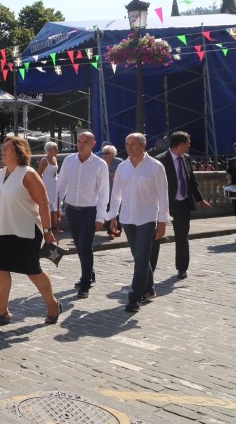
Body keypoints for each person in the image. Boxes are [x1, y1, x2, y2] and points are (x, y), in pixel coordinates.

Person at [0, 136, 61, 326]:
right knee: (0, 268)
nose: (3, 150)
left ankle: (52, 304)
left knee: (32, 270)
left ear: (19, 152)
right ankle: (2, 311)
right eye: (3, 147)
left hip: (26, 231)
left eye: (7, 148)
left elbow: (43, 203)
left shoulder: (28, 174)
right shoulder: (0, 174)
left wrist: (47, 229)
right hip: (2, 229)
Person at [107, 133, 169, 312]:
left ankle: (135, 297)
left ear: (143, 145)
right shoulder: (122, 168)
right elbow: (116, 194)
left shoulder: (155, 167)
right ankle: (149, 289)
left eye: (133, 144)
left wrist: (163, 221)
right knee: (139, 257)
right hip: (127, 218)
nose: (129, 147)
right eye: (127, 144)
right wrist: (113, 217)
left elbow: (163, 196)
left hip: (147, 218)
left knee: (141, 259)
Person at [54, 131, 108, 299]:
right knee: (79, 245)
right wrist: (56, 207)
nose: (81, 144)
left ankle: (85, 283)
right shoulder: (69, 161)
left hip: (89, 211)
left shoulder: (100, 165)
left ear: (93, 144)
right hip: (72, 210)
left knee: (85, 246)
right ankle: (89, 272)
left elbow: (104, 192)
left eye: (85, 141)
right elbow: (61, 185)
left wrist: (100, 217)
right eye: (79, 141)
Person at [152, 131, 211, 279]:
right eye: (188, 143)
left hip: (183, 204)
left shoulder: (186, 158)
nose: (190, 145)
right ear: (181, 144)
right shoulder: (160, 160)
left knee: (182, 237)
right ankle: (149, 270)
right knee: (156, 237)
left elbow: (192, 181)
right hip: (164, 204)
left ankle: (182, 268)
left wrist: (200, 200)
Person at [37, 142, 59, 232]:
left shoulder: (55, 159)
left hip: (54, 184)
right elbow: (38, 174)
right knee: (49, 205)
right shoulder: (44, 161)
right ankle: (49, 226)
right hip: (47, 184)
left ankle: (55, 225)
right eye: (56, 148)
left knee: (55, 205)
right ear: (50, 150)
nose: (57, 150)